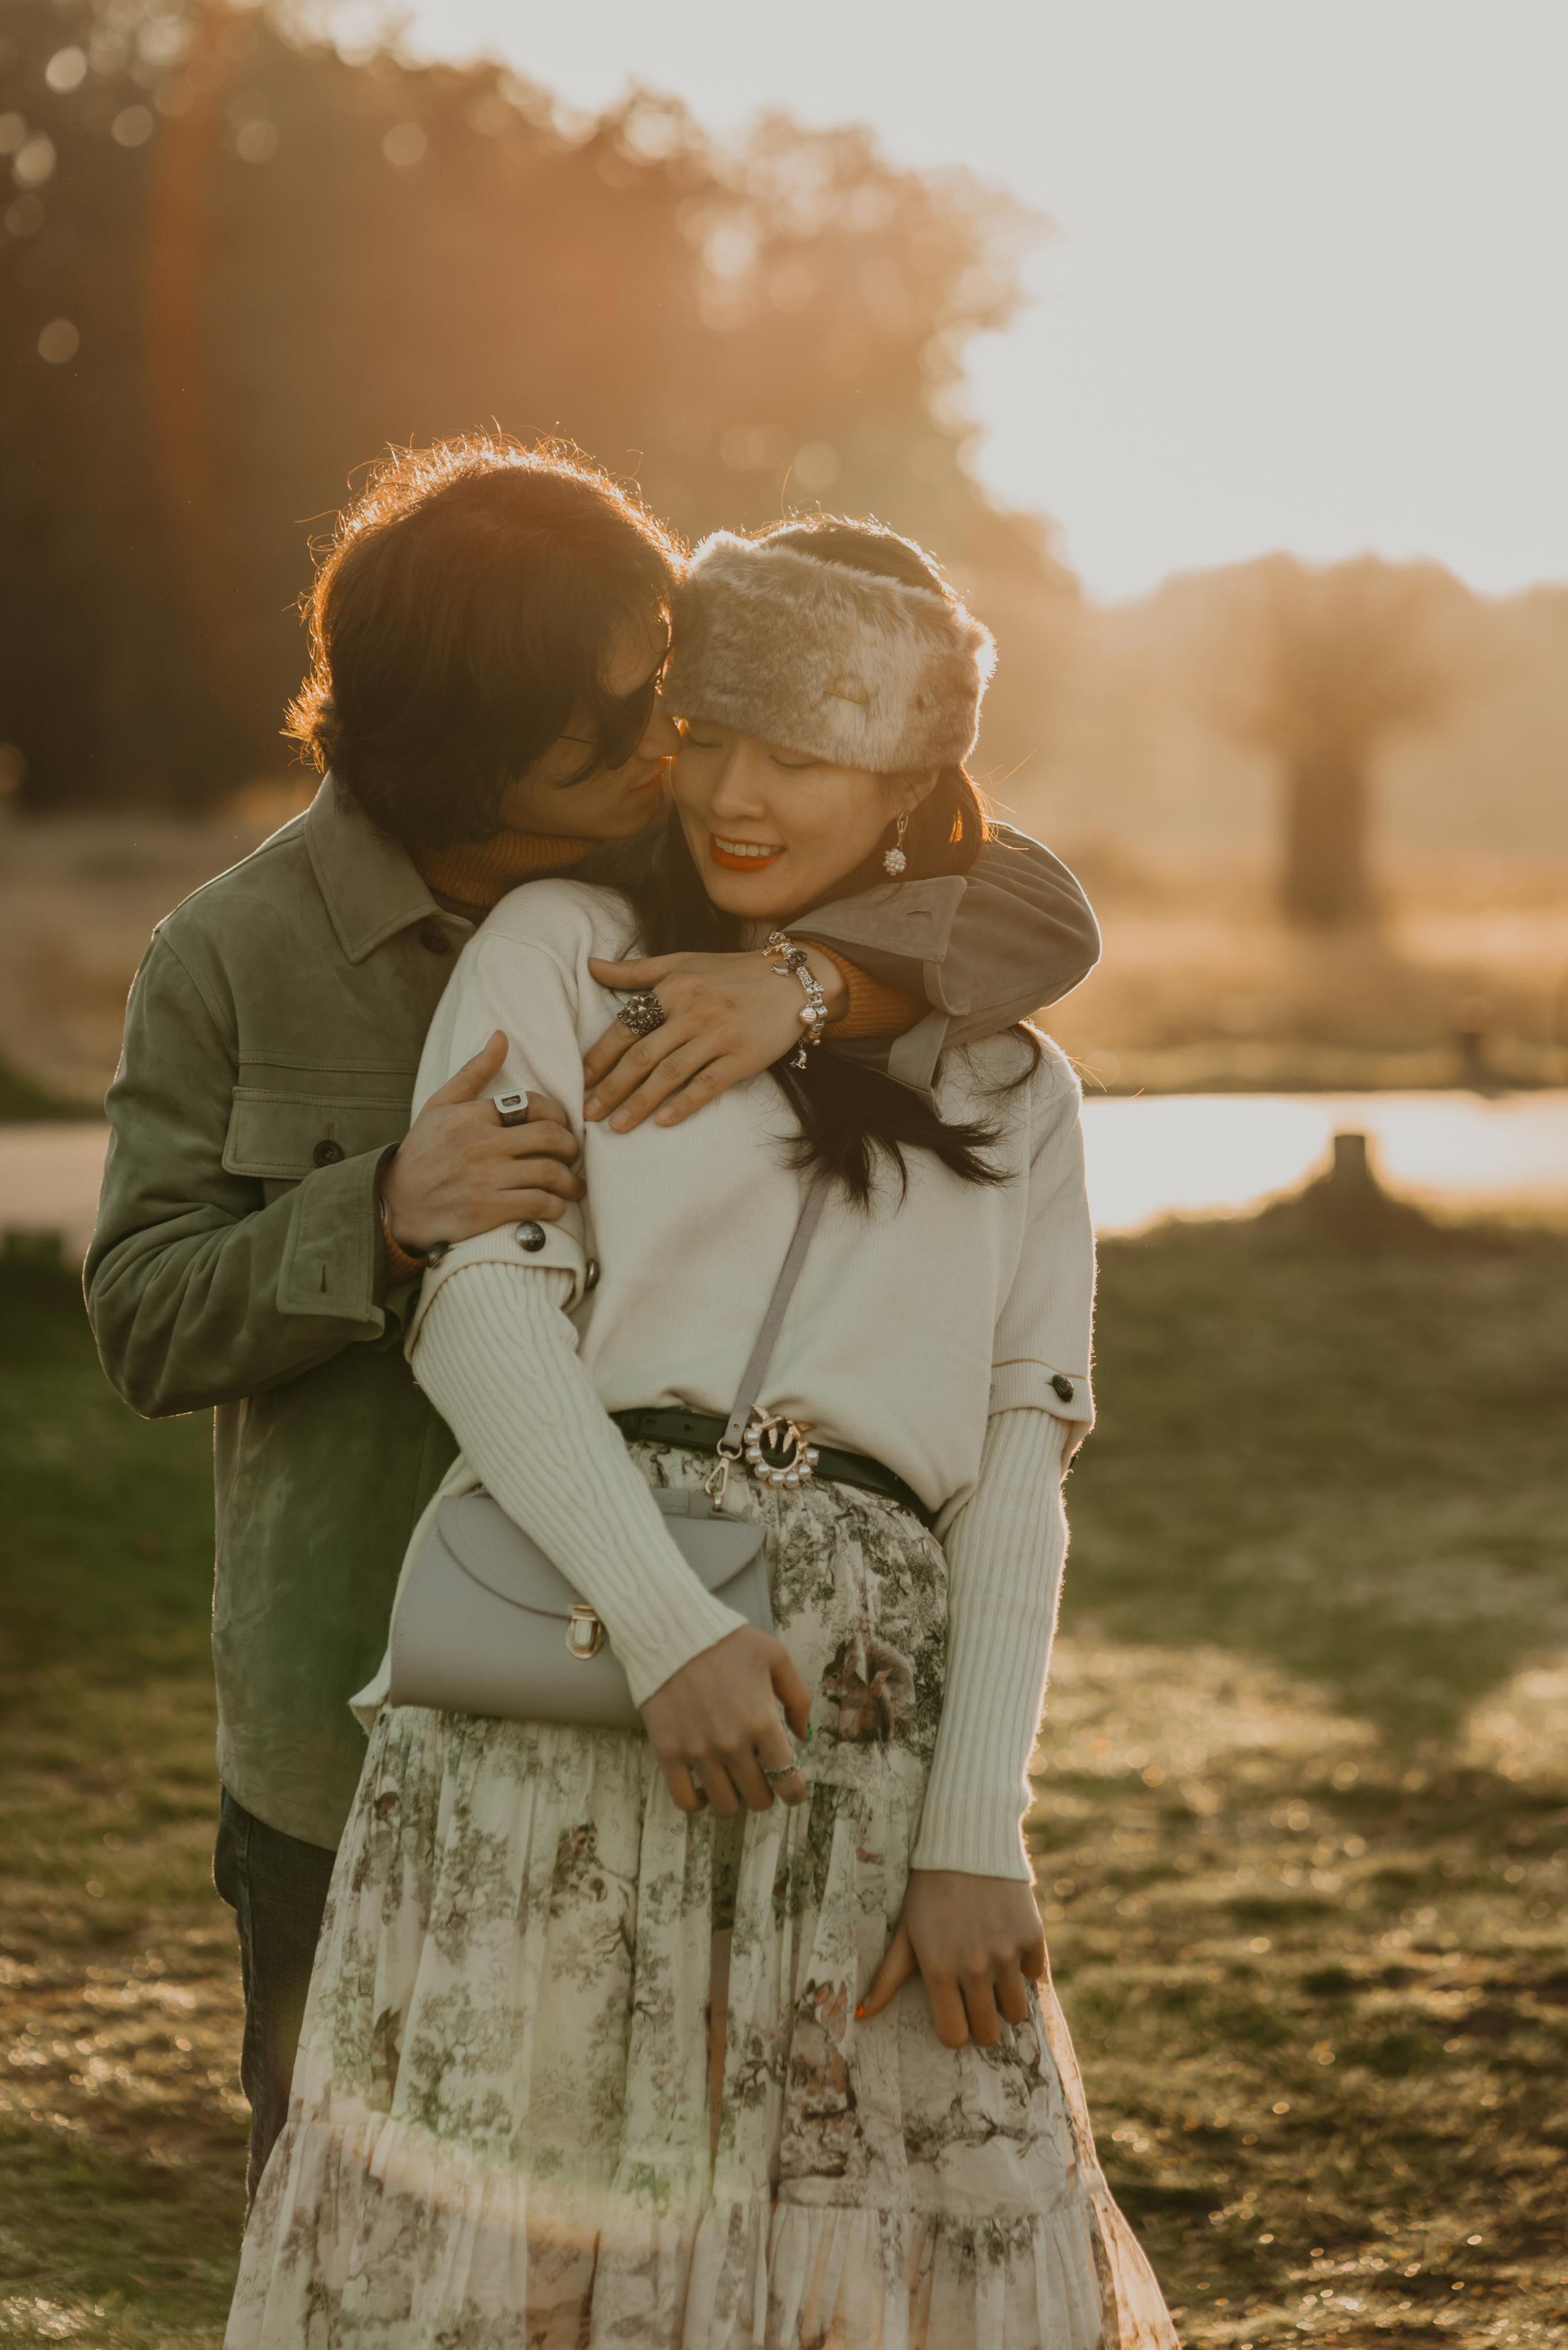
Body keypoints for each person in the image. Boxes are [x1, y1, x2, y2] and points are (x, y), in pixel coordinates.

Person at [85, 437, 1103, 2207]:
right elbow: (145, 1321)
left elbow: (1024, 897)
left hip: (722, 1696)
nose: (677, 759)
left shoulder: (677, 848)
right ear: (467, 761)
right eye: (628, 729)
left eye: (682, 710)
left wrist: (804, 979)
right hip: (376, 1706)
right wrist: (379, 1215)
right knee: (383, 2217)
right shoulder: (235, 956)